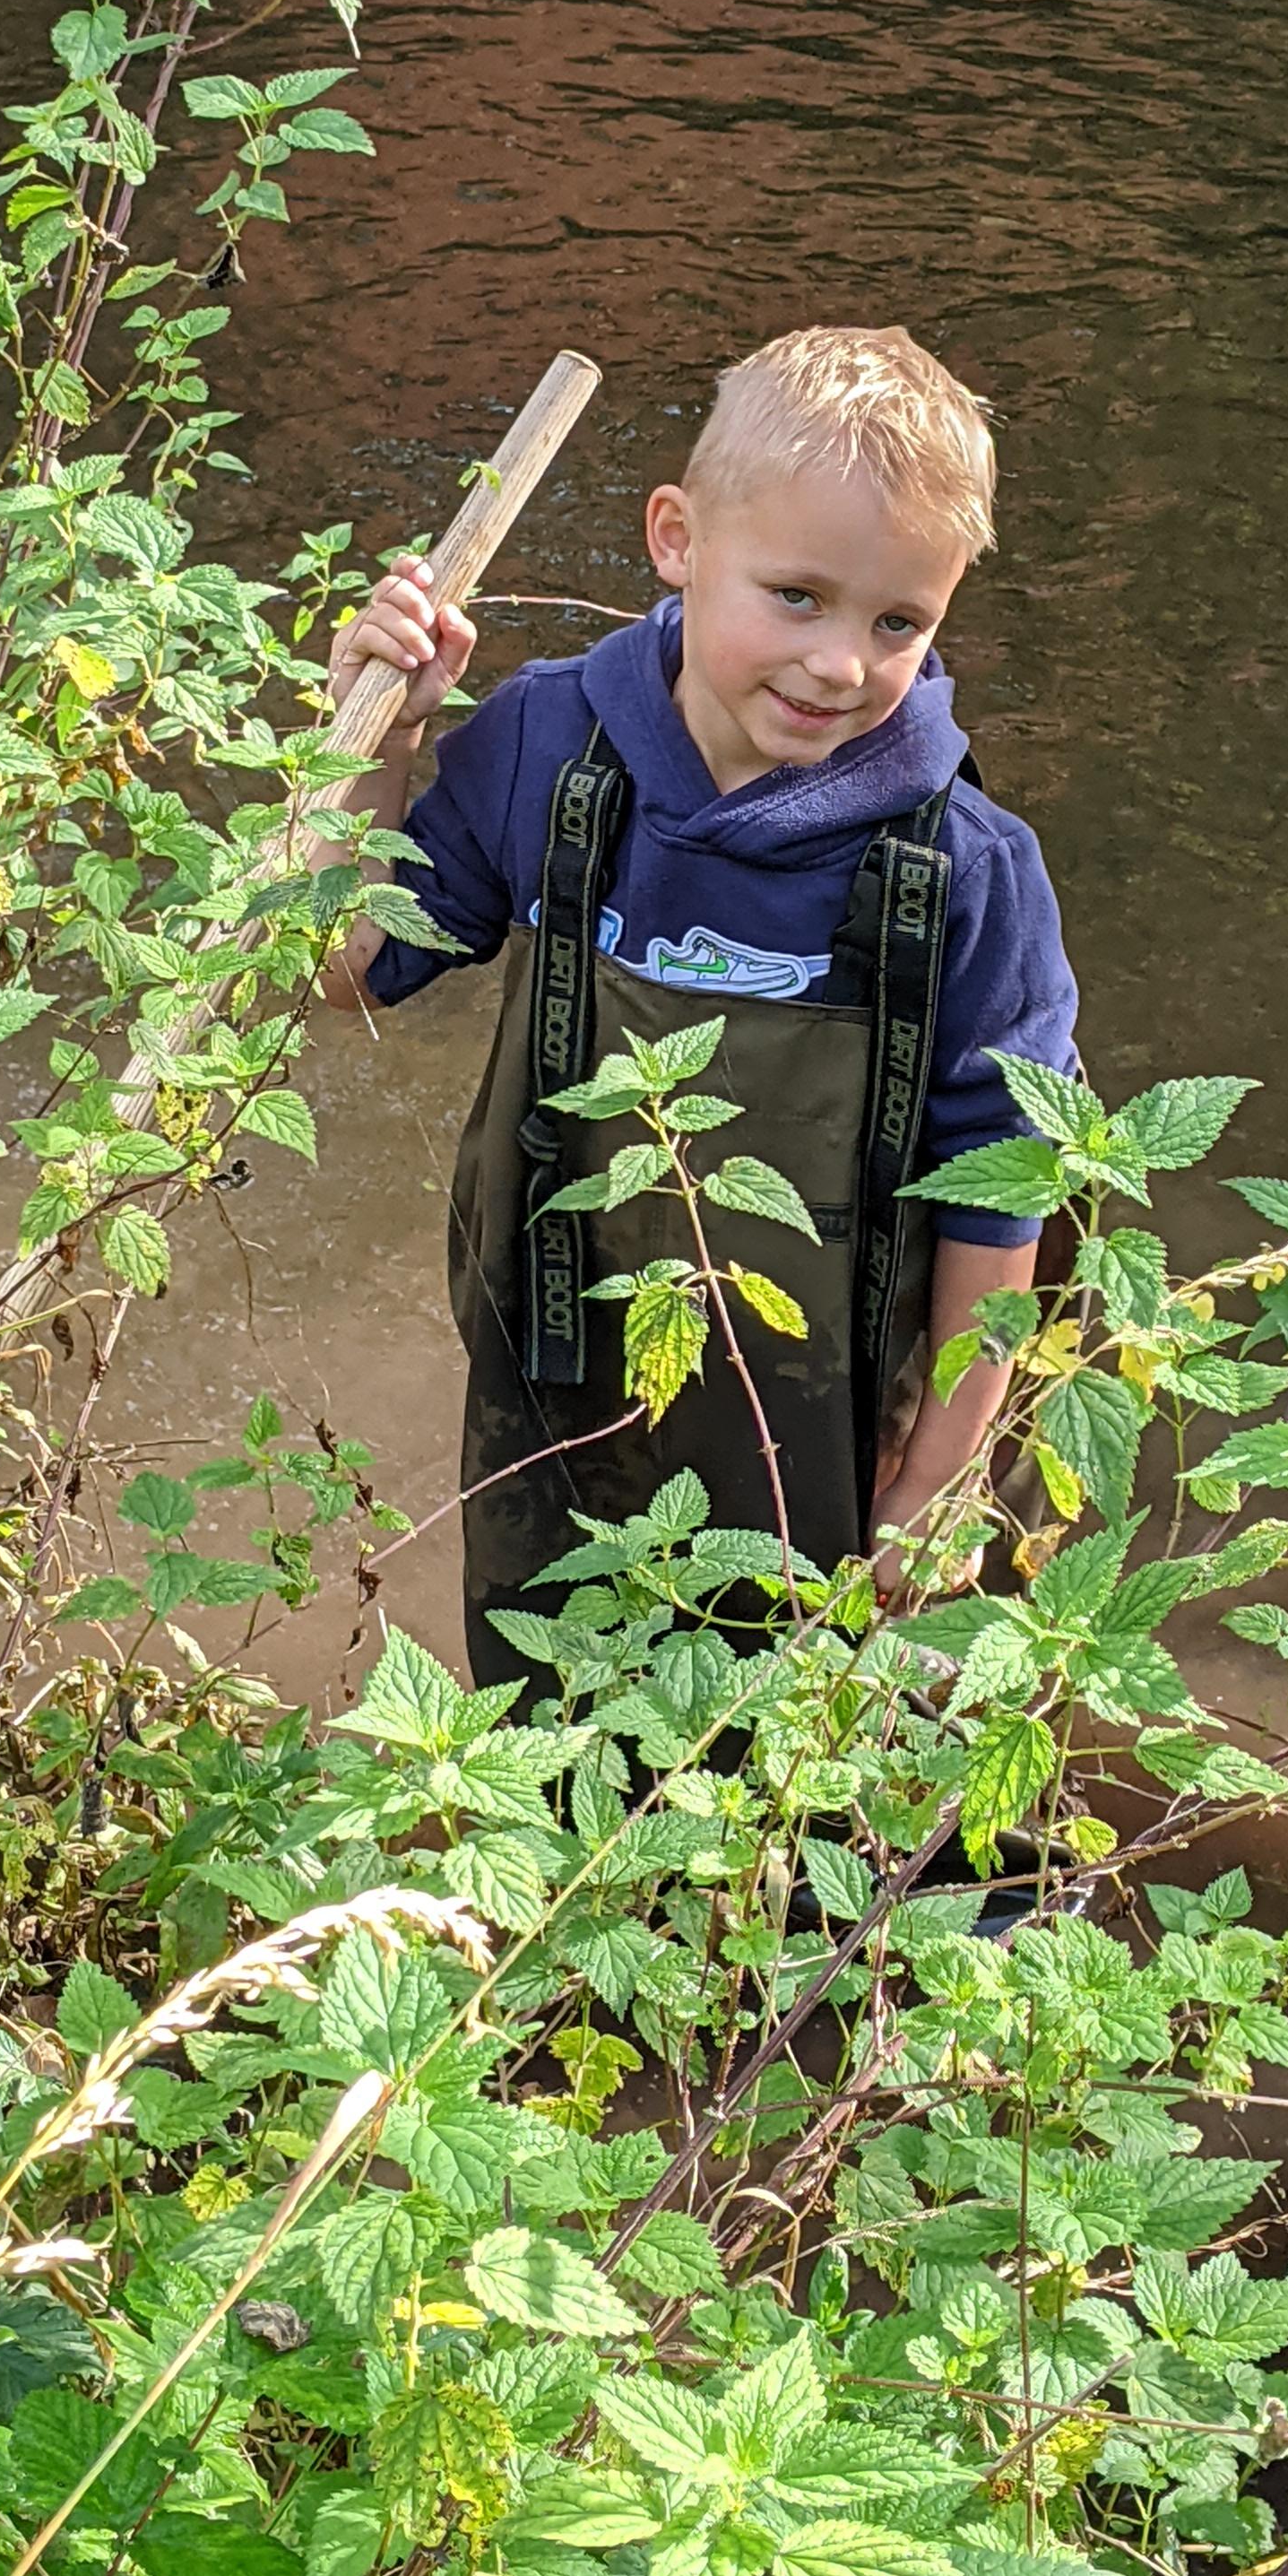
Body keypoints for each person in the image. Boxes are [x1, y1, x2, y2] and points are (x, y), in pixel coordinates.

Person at [317, 324, 1078, 1701]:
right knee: (554, 1745)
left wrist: (940, 1480)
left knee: (835, 1770)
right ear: (675, 538)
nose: (840, 664)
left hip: (846, 1443)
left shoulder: (967, 873)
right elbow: (346, 968)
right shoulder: (546, 748)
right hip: (561, 1402)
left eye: (897, 623)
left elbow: (1003, 1197)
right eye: (797, 597)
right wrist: (382, 745)